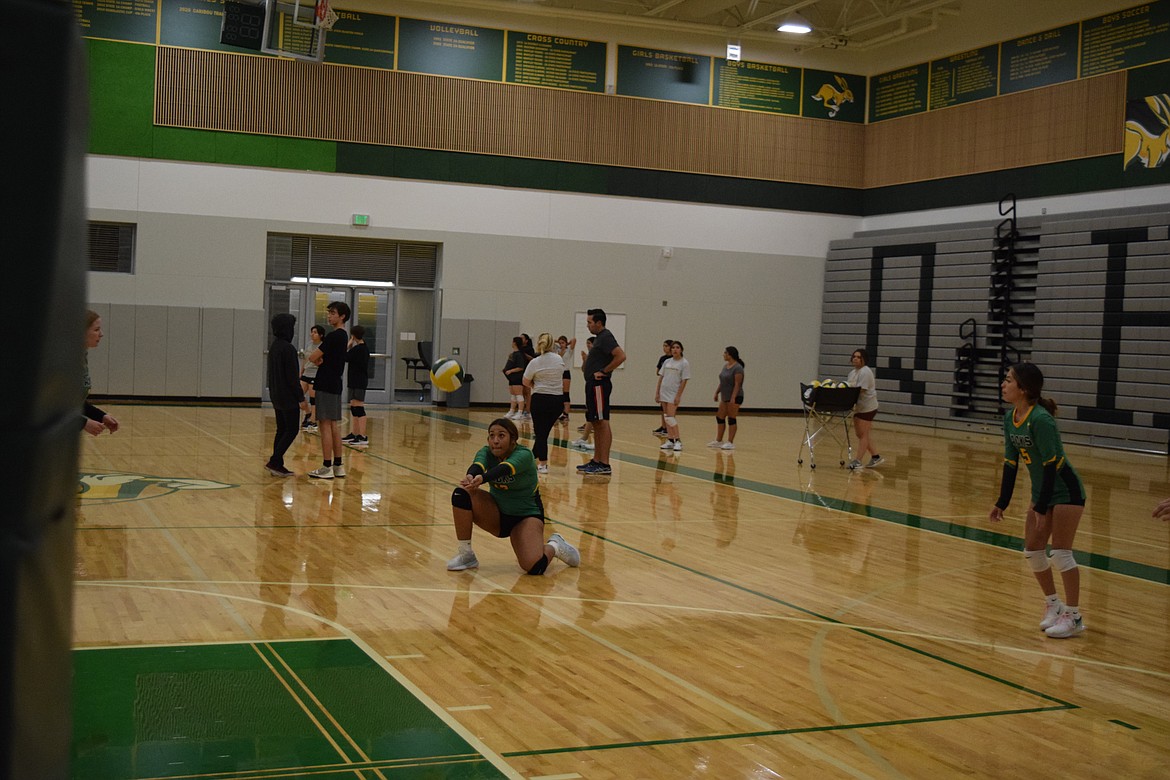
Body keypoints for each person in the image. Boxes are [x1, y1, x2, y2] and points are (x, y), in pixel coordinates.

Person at [988, 362, 1087, 639]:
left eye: (1008, 380)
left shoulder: (1042, 419)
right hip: (1041, 491)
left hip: (1066, 491)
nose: (1003, 384)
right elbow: (1010, 463)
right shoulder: (1010, 418)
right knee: (1033, 550)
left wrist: (1041, 507)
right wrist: (1002, 502)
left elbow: (1051, 465)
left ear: (1024, 389)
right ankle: (1054, 605)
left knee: (1061, 552)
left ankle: (1074, 616)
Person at [446, 417, 580, 573]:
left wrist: (483, 478)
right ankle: (466, 554)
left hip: (526, 516)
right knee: (461, 494)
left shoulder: (524, 455)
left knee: (534, 567)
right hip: (497, 513)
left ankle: (555, 546)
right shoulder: (487, 451)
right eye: (492, 436)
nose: (495, 440)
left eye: (501, 436)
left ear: (513, 440)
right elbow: (478, 465)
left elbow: (505, 468)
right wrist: (471, 475)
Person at [578, 309, 626, 475]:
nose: (588, 325)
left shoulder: (606, 336)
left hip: (599, 385)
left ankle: (604, 463)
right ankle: (596, 460)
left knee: (602, 422)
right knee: (596, 422)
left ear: (599, 323)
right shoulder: (600, 338)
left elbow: (620, 356)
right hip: (592, 384)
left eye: (590, 322)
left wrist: (604, 371)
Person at [306, 301, 350, 479]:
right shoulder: (344, 336)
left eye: (333, 313)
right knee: (333, 425)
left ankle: (326, 466)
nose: (329, 315)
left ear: (342, 316)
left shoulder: (333, 336)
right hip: (335, 383)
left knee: (324, 425)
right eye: (329, 312)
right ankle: (338, 465)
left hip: (325, 383)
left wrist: (318, 360)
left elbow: (312, 356)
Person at [265, 313, 308, 476]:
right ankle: (275, 460)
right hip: (288, 396)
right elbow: (292, 378)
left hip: (276, 394)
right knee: (291, 429)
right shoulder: (288, 349)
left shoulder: (275, 346)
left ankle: (277, 464)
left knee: (281, 429)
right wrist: (301, 399)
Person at [523, 333, 568, 474]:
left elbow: (525, 381)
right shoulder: (559, 359)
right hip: (556, 401)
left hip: (540, 399)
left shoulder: (535, 362)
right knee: (544, 432)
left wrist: (535, 385)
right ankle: (532, 456)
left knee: (540, 433)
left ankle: (542, 464)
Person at [82, 310, 119, 436]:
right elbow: (51, 406)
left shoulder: (81, 357)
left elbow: (73, 403)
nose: (101, 334)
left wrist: (101, 416)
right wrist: (83, 423)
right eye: (96, 329)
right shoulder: (65, 360)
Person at [846, 348, 883, 469]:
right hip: (859, 407)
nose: (855, 359)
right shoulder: (852, 373)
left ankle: (858, 461)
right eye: (854, 357)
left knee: (863, 434)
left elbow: (860, 390)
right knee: (861, 434)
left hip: (868, 407)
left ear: (863, 360)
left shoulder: (865, 372)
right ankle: (876, 456)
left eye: (858, 357)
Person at [655, 341, 691, 452]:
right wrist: (657, 392)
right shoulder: (667, 362)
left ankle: (678, 440)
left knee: (671, 417)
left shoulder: (684, 363)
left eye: (677, 347)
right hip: (664, 392)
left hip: (673, 393)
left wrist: (678, 395)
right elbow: (661, 377)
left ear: (681, 349)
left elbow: (684, 381)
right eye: (673, 348)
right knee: (666, 417)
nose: (675, 349)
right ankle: (670, 440)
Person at [708, 346, 744, 450]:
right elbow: (722, 381)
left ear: (730, 354)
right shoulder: (725, 366)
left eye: (725, 353)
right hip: (725, 396)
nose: (723, 355)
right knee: (720, 416)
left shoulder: (738, 368)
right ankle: (719, 440)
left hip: (735, 397)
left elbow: (737, 384)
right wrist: (717, 392)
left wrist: (733, 397)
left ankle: (730, 442)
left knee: (731, 418)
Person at [342, 325, 370, 449]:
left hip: (359, 381)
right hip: (354, 381)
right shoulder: (361, 348)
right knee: (354, 407)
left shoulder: (359, 349)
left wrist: (348, 344)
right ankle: (355, 433)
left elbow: (343, 356)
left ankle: (362, 436)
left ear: (353, 336)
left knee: (359, 407)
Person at [570, 336, 595, 452]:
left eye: (589, 343)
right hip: (589, 384)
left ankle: (596, 442)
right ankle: (584, 438)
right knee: (589, 412)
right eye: (587, 343)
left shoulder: (598, 356)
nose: (588, 345)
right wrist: (585, 359)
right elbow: (584, 369)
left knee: (595, 414)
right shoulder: (589, 356)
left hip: (596, 385)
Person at [300, 324, 325, 432]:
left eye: (315, 332)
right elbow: (305, 359)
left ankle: (313, 421)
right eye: (312, 332)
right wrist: (301, 371)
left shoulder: (322, 346)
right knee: (298, 396)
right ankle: (308, 412)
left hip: (315, 374)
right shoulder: (309, 345)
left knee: (313, 399)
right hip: (306, 373)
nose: (312, 334)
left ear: (320, 335)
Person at [653, 339, 673, 437]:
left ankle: (669, 428)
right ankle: (663, 426)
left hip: (671, 386)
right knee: (662, 408)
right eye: (663, 346)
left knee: (669, 409)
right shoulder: (663, 359)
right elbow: (658, 371)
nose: (664, 348)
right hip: (664, 385)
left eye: (666, 346)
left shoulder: (674, 359)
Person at [502, 336, 526, 419]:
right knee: (513, 395)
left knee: (519, 395)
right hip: (511, 378)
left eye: (512, 341)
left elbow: (520, 367)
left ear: (515, 343)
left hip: (517, 377)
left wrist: (511, 371)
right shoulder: (513, 354)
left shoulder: (519, 355)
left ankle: (520, 412)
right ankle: (511, 411)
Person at [555, 335, 576, 421]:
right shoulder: (557, 350)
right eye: (560, 343)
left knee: (565, 393)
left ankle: (566, 414)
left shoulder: (569, 350)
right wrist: (557, 341)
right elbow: (551, 341)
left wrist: (566, 343)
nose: (561, 344)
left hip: (565, 372)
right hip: (558, 373)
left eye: (562, 343)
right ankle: (558, 412)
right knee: (558, 392)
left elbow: (574, 339)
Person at [518, 333, 536, 421]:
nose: (520, 339)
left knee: (527, 391)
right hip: (521, 371)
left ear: (526, 340)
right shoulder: (519, 349)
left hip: (528, 370)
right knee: (522, 392)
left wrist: (524, 354)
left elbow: (533, 359)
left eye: (522, 338)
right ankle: (522, 409)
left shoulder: (529, 349)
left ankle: (528, 410)